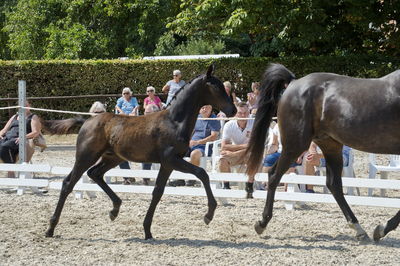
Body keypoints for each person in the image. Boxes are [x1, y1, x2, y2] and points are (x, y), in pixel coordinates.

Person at [169, 105, 221, 187]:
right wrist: (187, 140)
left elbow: (214, 136)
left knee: (194, 155)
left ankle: (192, 178)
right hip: (191, 144)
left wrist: (198, 142)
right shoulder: (197, 118)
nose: (204, 109)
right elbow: (191, 131)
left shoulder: (214, 119)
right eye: (202, 107)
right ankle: (180, 179)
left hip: (204, 146)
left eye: (207, 107)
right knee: (174, 153)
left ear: (211, 108)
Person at [218, 102, 255, 198]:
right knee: (223, 159)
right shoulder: (229, 125)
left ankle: (249, 187)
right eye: (240, 113)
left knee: (252, 156)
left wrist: (235, 152)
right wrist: (244, 147)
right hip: (237, 153)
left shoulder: (254, 123)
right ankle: (226, 186)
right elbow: (224, 147)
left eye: (245, 113)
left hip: (247, 154)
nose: (243, 115)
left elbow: (254, 146)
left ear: (249, 113)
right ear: (235, 113)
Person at [0, 102, 42, 178]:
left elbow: (36, 132)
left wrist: (23, 137)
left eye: (26, 105)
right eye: (22, 106)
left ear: (29, 106)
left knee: (4, 147)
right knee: (3, 145)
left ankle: (11, 171)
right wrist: (0, 134)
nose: (24, 107)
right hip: (7, 137)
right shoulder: (14, 116)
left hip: (19, 139)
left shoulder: (33, 117)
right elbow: (4, 130)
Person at [262, 123, 302, 190]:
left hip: (293, 153)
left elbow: (302, 144)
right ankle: (264, 184)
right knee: (268, 159)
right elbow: (275, 143)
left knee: (289, 161)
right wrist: (269, 152)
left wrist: (299, 156)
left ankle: (287, 188)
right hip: (280, 152)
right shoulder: (278, 125)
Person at [115, 87, 139, 184]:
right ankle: (127, 177)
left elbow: (137, 106)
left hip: (131, 117)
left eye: (127, 93)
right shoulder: (120, 100)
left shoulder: (133, 99)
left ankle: (128, 177)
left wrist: (133, 111)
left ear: (130, 93)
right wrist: (121, 112)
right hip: (123, 117)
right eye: (124, 93)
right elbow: (117, 107)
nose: (125, 94)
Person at [141, 104, 161, 185]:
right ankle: (145, 178)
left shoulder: (160, 123)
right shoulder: (142, 122)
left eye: (148, 113)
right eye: (145, 112)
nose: (145, 115)